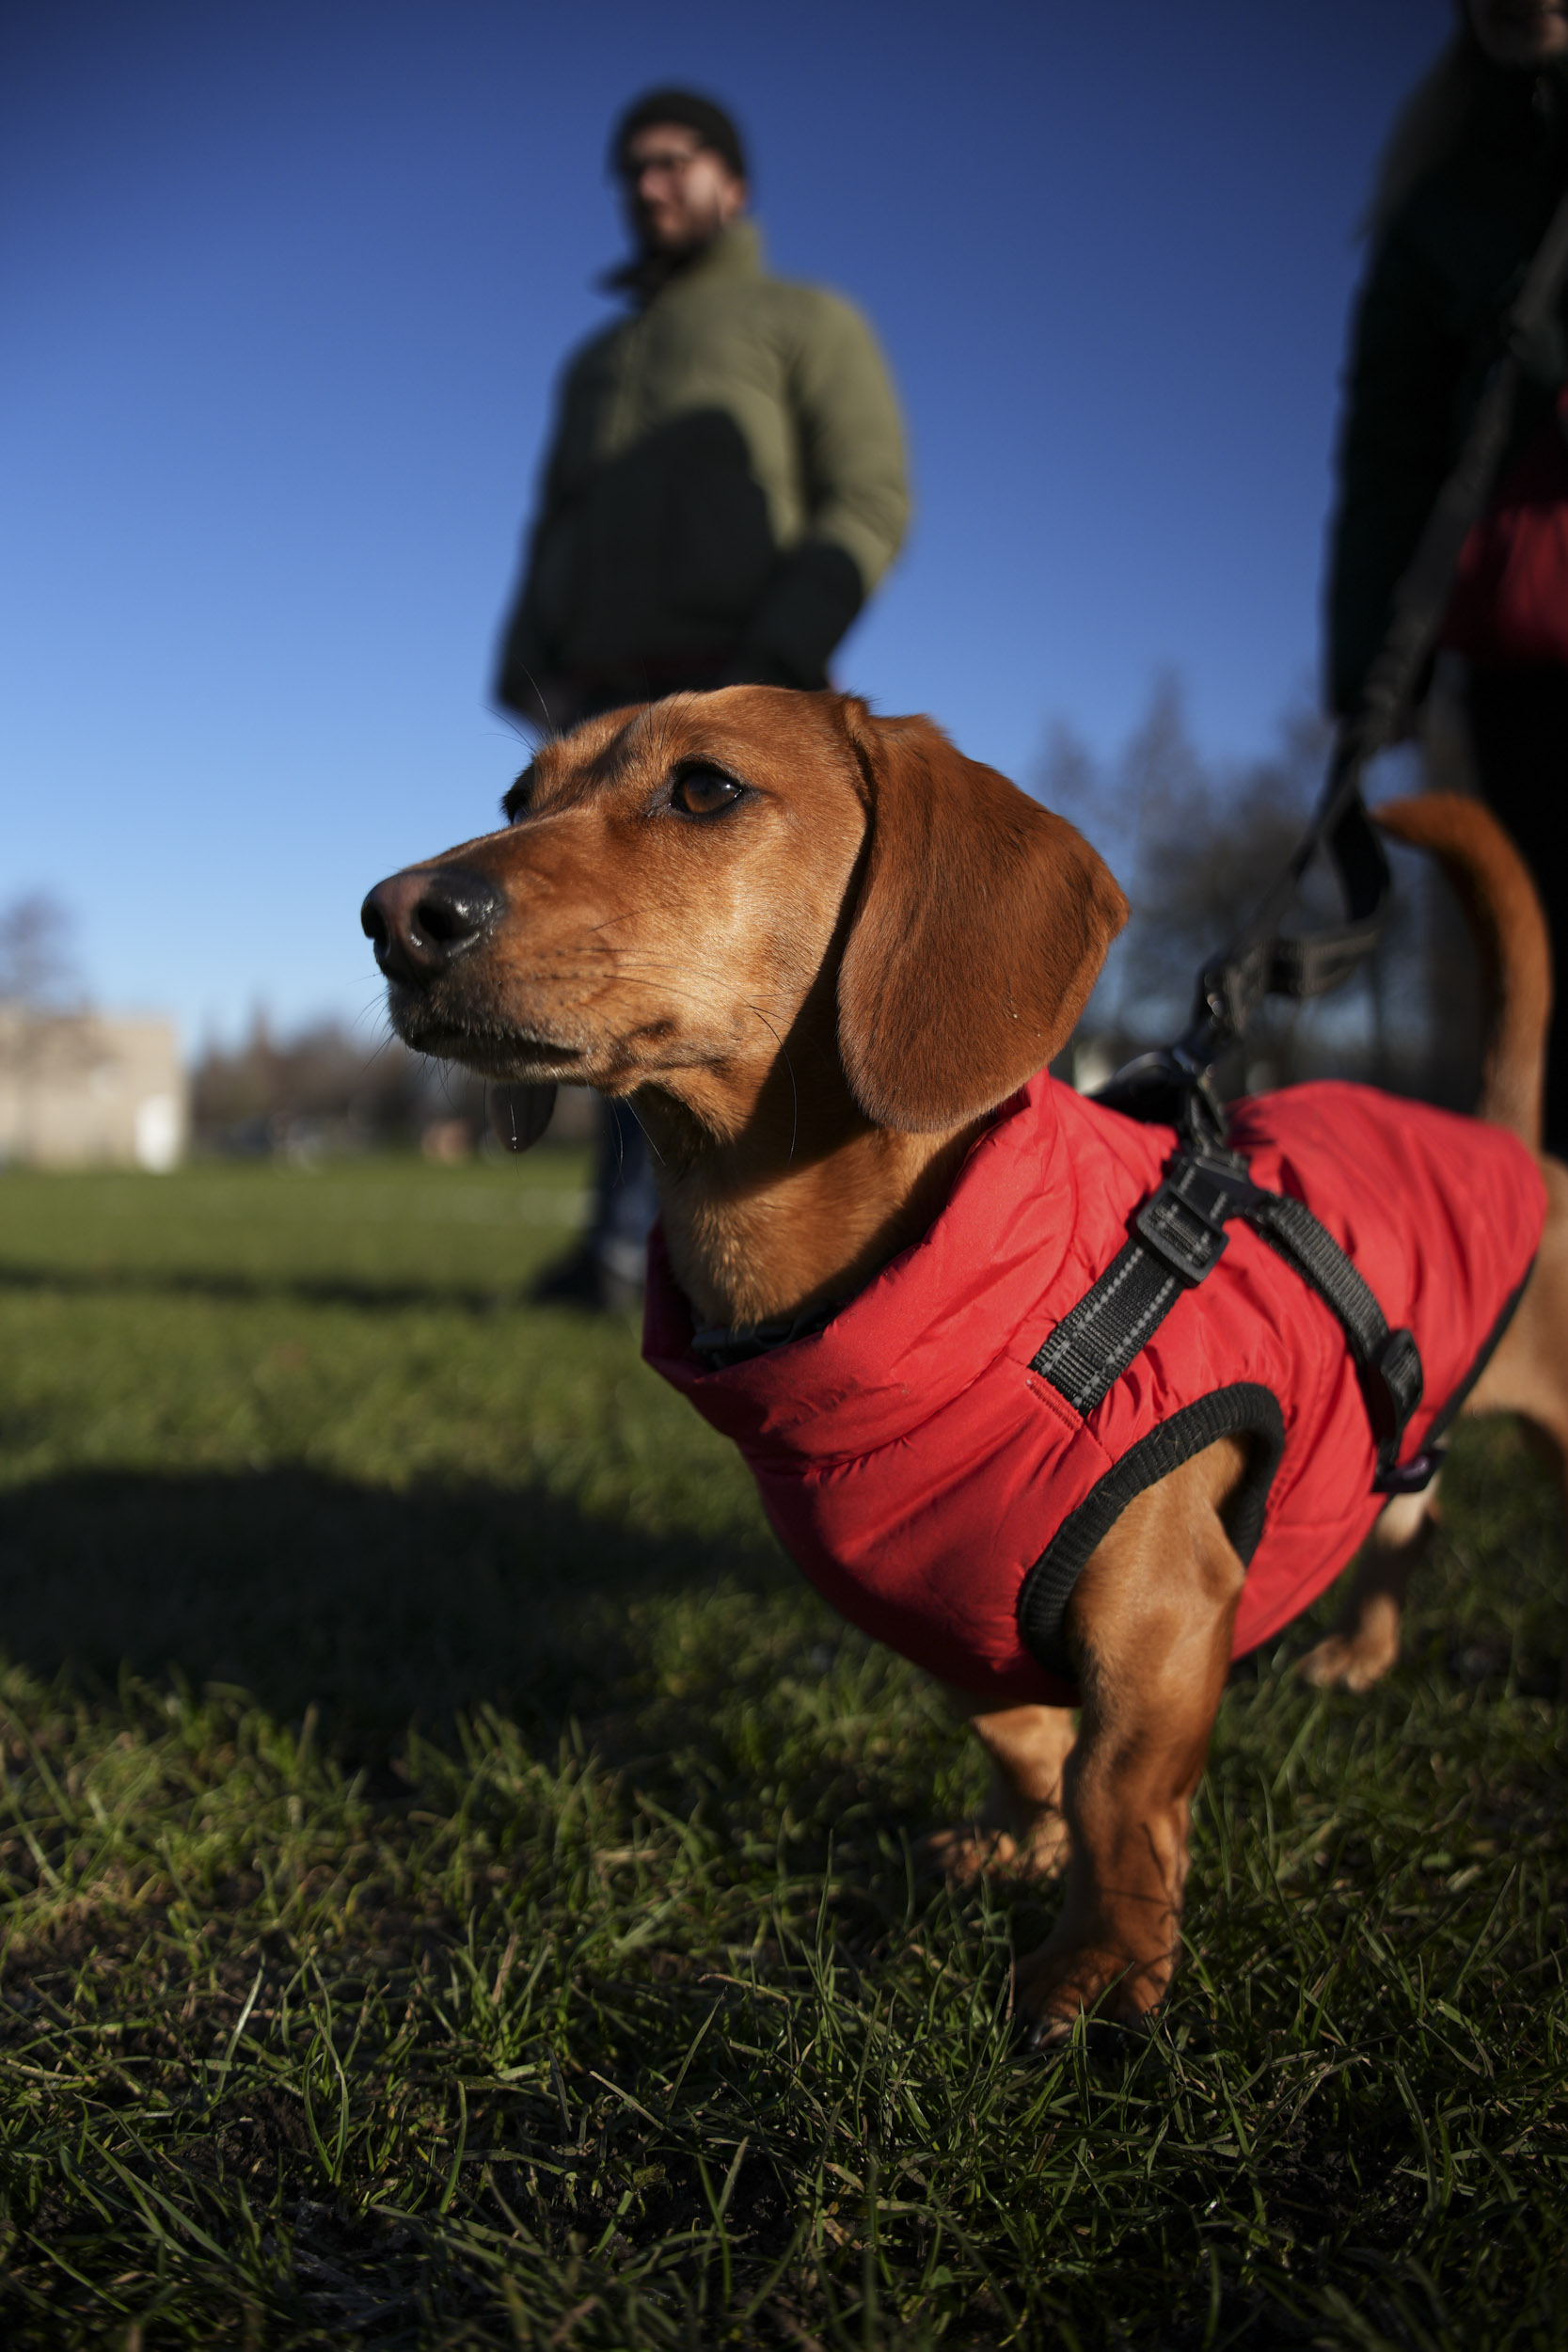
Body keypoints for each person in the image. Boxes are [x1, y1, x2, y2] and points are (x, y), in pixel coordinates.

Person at [495, 88, 910, 1307]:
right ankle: (627, 1243)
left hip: (733, 680)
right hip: (595, 693)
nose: (649, 185)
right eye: (631, 169)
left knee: (709, 981)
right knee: (580, 967)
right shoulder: (597, 362)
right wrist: (526, 658)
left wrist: (775, 656)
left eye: (674, 162)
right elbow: (554, 520)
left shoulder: (801, 321)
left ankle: (731, 1249)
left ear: (732, 183)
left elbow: (868, 494)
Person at [1328, 0, 1568, 1153]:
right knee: (1541, 987)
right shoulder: (1439, 203)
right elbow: (1388, 461)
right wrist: (1366, 687)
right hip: (1526, 653)